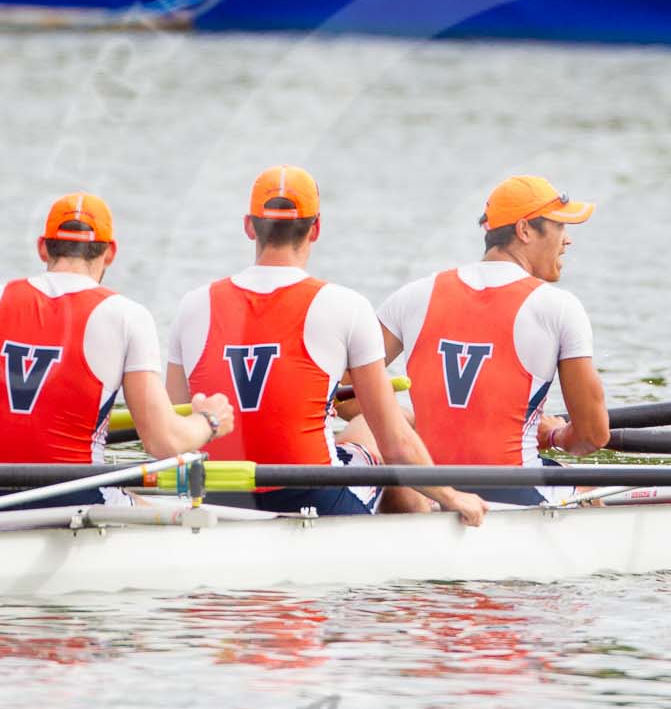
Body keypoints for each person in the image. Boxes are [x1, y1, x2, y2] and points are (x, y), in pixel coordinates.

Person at [165, 167, 484, 525]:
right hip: (313, 497)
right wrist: (452, 495)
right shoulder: (346, 306)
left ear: (249, 226)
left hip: (215, 494)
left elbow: (171, 432)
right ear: (315, 228)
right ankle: (416, 539)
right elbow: (395, 443)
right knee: (374, 429)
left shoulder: (192, 306)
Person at [0, 192, 233, 511]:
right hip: (79, 500)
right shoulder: (127, 315)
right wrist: (208, 419)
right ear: (110, 253)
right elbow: (163, 441)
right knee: (166, 521)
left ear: (43, 247)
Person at [379, 175, 609, 507]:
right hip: (515, 491)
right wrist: (556, 435)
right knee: (595, 492)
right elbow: (592, 435)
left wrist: (414, 418)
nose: (568, 240)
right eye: (561, 226)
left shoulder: (415, 294)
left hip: (431, 492)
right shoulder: (559, 307)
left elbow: (343, 394)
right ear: (525, 230)